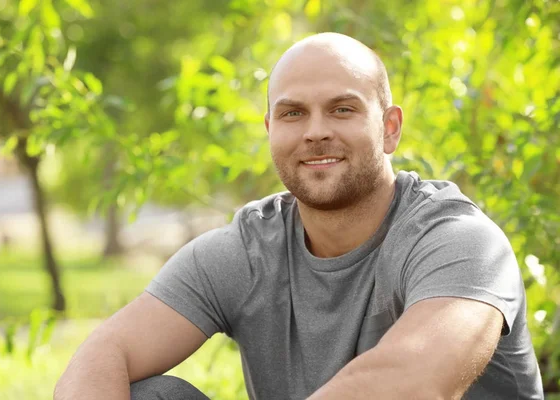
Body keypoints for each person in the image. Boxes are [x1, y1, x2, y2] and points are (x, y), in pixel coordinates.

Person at [54, 32, 543, 400]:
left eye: (342, 109)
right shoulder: (247, 249)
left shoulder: (459, 240)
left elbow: (411, 380)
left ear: (390, 129)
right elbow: (106, 351)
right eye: (292, 114)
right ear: (270, 129)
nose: (315, 132)